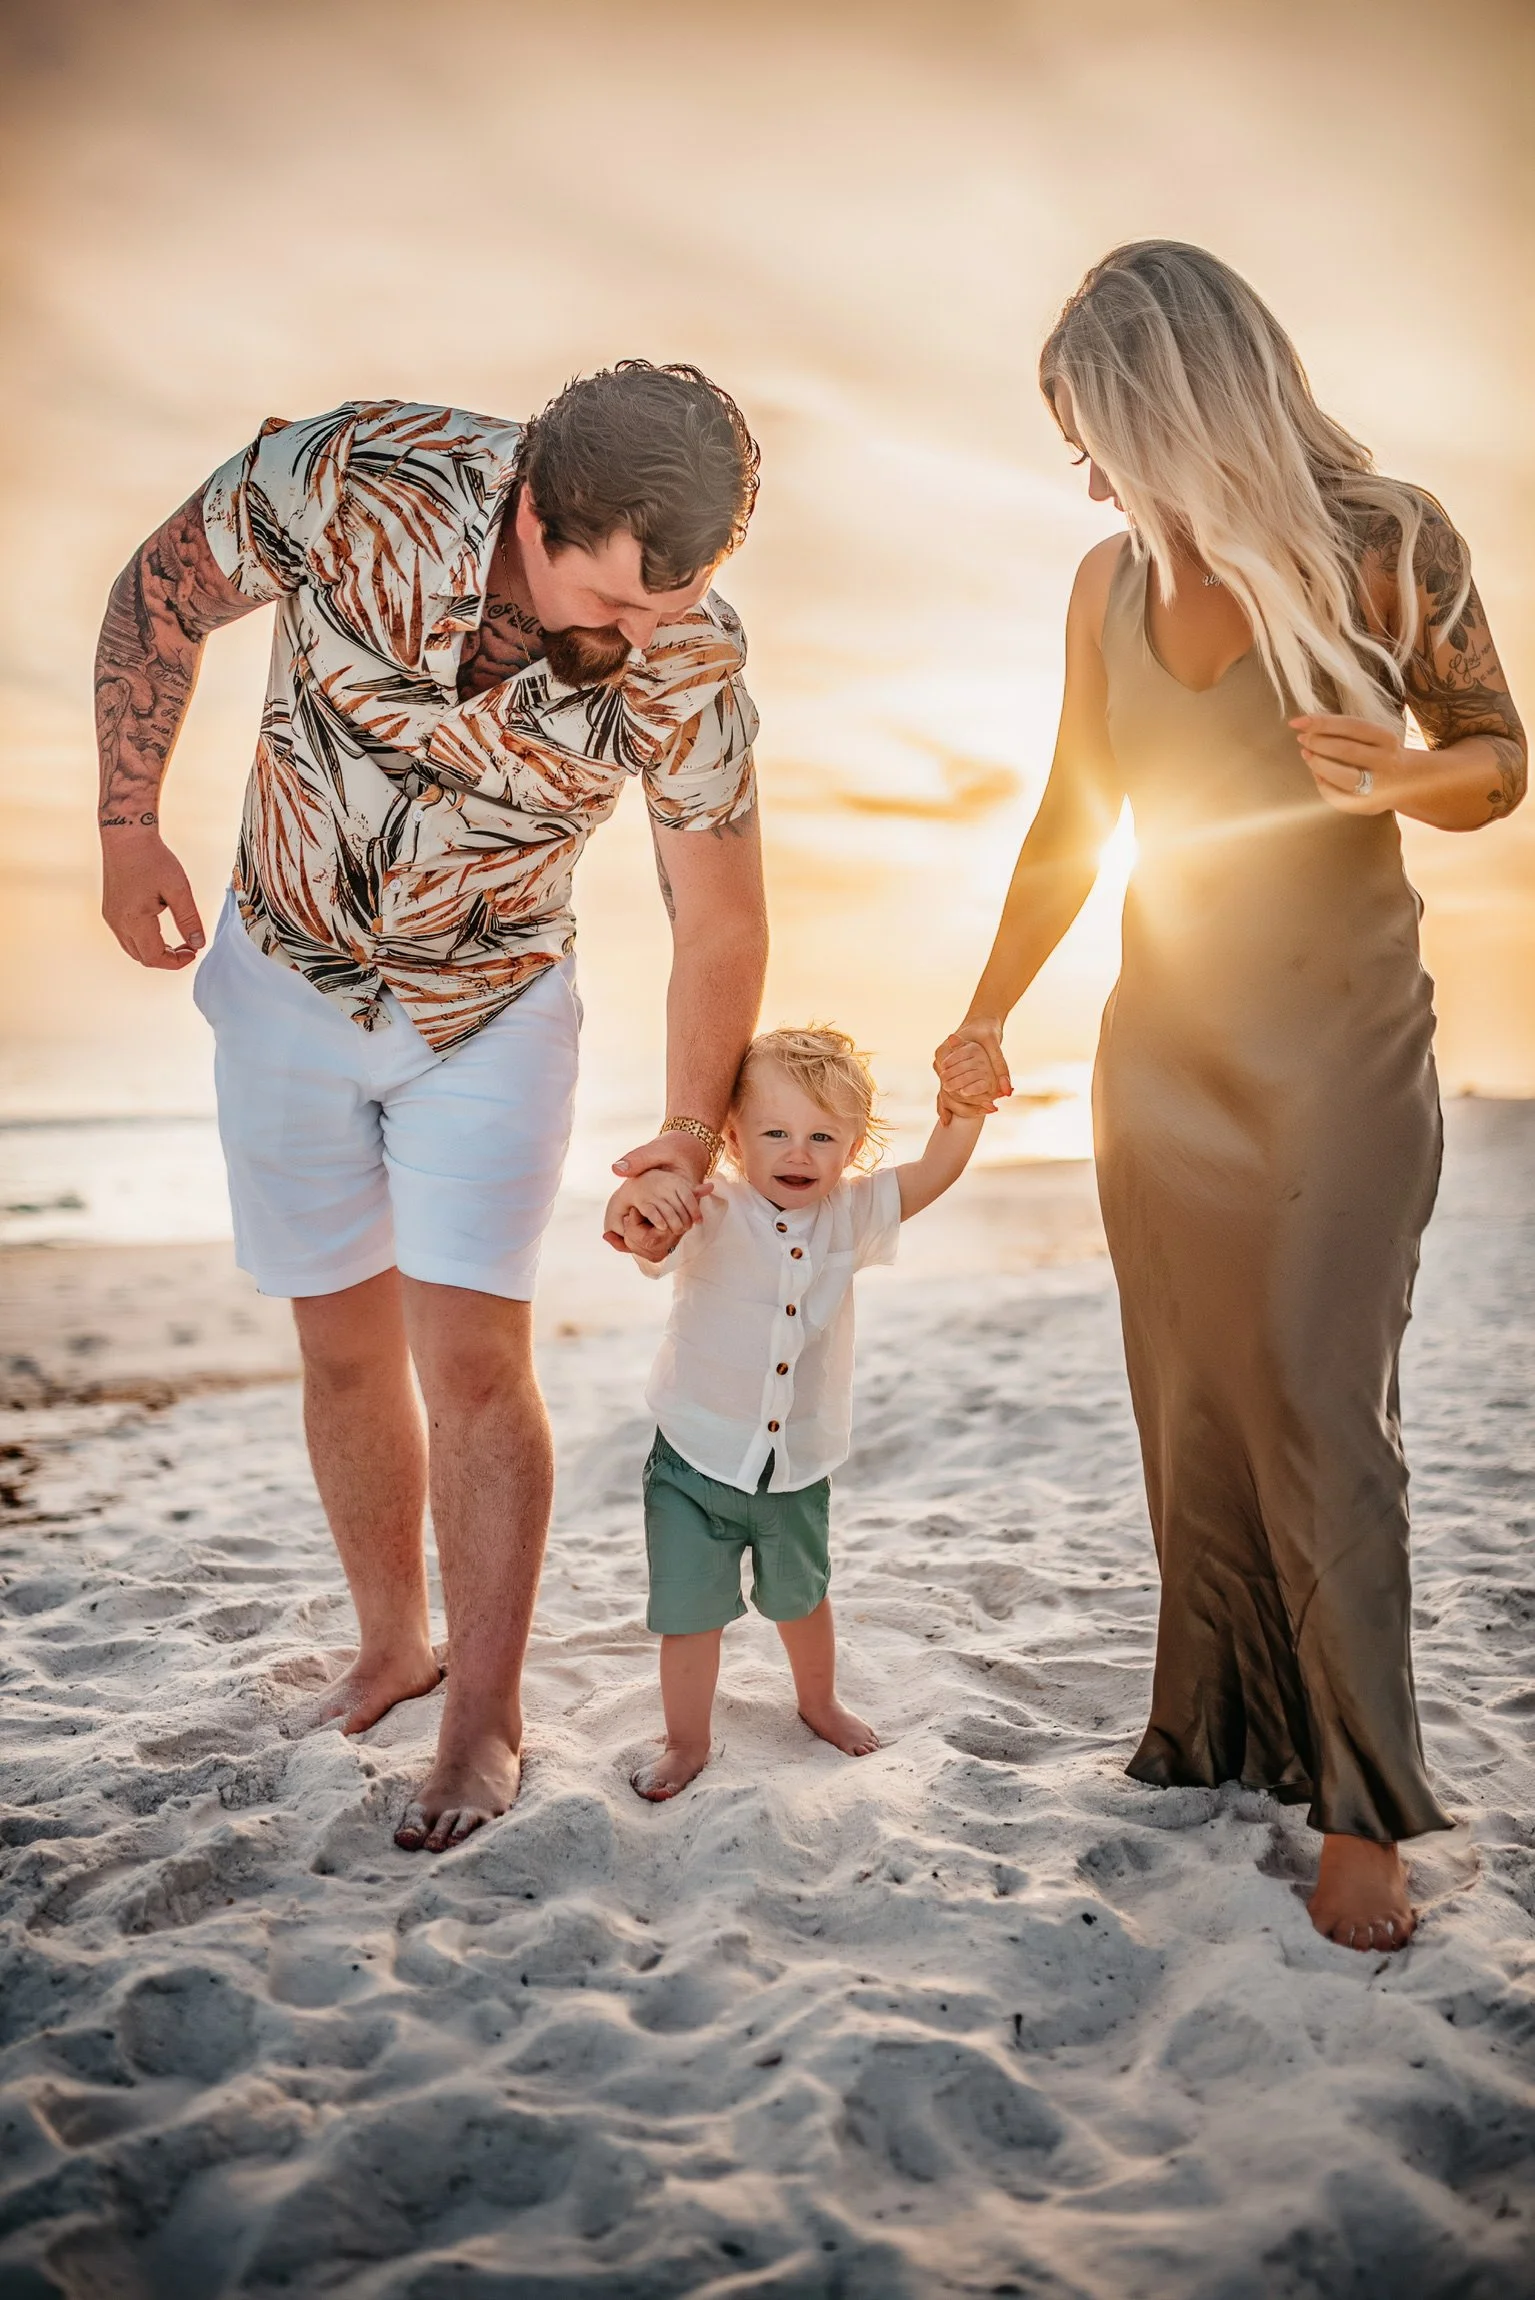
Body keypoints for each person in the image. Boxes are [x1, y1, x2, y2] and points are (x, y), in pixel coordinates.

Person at [935, 243, 1526, 1953]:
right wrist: (982, 1016)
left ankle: (1365, 1812)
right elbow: (1069, 818)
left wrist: (1412, 772)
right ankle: (1215, 1737)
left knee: (1325, 1410)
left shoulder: (1387, 539)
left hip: (1345, 1049)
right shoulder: (1103, 582)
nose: (1089, 472)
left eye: (1098, 432)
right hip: (1164, 1049)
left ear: (1178, 405)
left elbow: (1499, 752)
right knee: (1194, 1407)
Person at [94, 363, 770, 1852]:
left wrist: (682, 1126)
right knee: (339, 1342)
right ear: (536, 508)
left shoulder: (691, 654)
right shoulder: (347, 477)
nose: (643, 637)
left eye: (675, 605)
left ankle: (483, 1722)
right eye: (615, 603)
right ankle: (394, 1642)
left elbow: (716, 918)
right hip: (280, 970)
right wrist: (126, 822)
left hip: (492, 1006)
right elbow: (158, 593)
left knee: (471, 1355)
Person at [608, 1027, 983, 1800]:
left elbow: (935, 1172)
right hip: (693, 1456)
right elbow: (646, 1233)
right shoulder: (710, 1205)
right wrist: (642, 1205)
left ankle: (818, 1703)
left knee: (801, 1598)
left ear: (852, 1145)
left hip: (796, 1463)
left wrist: (964, 1110)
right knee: (690, 1613)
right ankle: (686, 1742)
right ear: (735, 1137)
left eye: (822, 1136)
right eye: (775, 1133)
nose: (798, 1153)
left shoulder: (853, 1211)